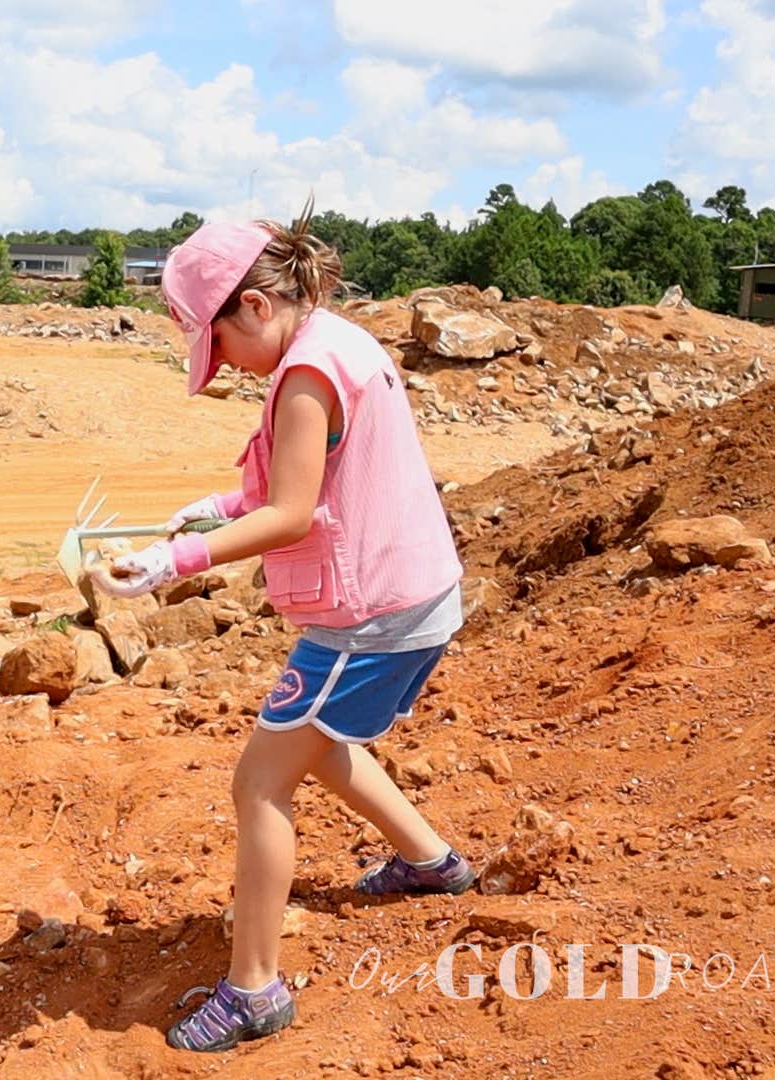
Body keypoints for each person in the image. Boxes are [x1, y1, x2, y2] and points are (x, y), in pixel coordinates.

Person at [87, 208, 474, 1053]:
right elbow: (309, 481)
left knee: (260, 782)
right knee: (318, 739)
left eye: (219, 345)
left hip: (371, 614)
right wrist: (219, 506)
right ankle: (429, 861)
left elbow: (294, 513)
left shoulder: (304, 379)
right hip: (404, 597)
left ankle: (254, 988)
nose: (221, 365)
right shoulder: (333, 342)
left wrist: (176, 559)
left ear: (255, 308)